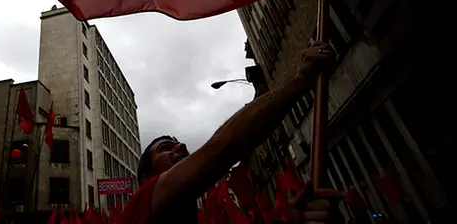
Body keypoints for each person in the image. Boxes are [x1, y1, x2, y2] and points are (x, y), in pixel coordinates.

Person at [123, 42, 344, 223]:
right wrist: (301, 80)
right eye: (165, 148)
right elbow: (223, 147)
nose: (181, 147)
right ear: (146, 180)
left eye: (178, 143)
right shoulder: (141, 202)